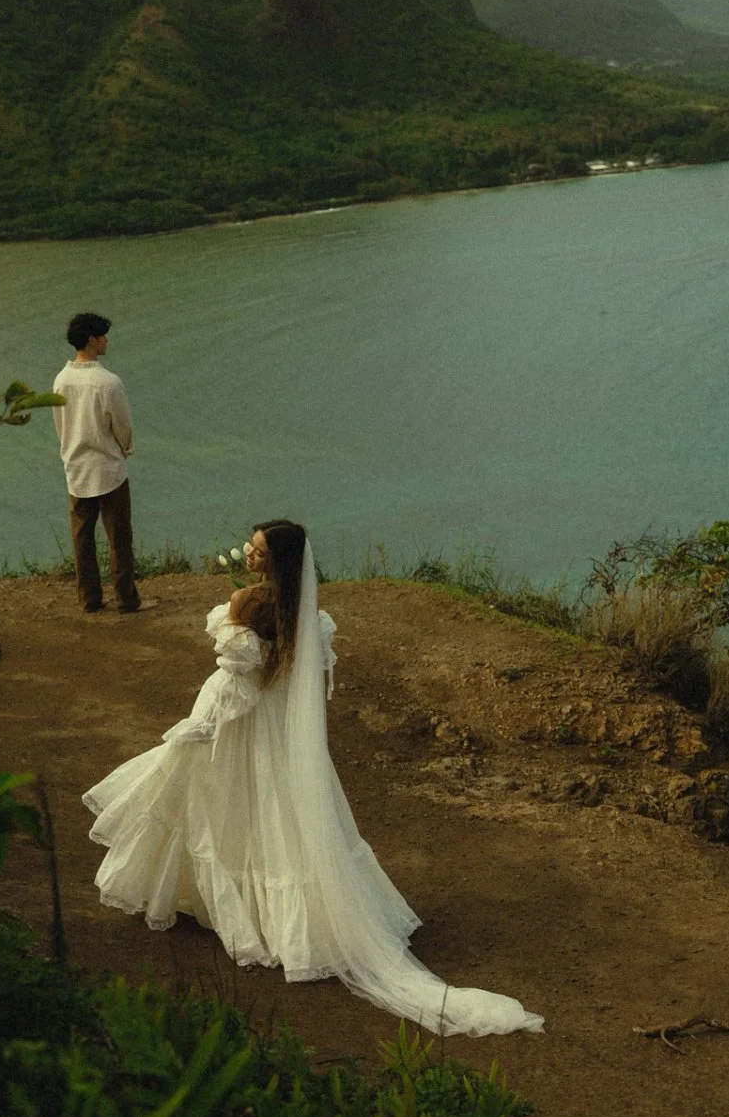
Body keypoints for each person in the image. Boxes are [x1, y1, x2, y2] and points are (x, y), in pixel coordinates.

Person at [85, 518, 543, 1037]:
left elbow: (235, 670)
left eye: (257, 552)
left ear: (274, 561)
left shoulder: (246, 607)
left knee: (224, 811)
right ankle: (283, 919)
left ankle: (237, 914)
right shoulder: (312, 620)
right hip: (278, 734)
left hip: (240, 730)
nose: (249, 557)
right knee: (281, 817)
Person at [53, 312, 141, 614]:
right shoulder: (108, 383)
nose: (106, 340)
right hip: (108, 469)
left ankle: (89, 598)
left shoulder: (61, 380)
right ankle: (126, 599)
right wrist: (125, 449)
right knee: (119, 537)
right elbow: (123, 427)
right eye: (103, 335)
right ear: (92, 340)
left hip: (76, 468)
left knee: (82, 537)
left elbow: (60, 424)